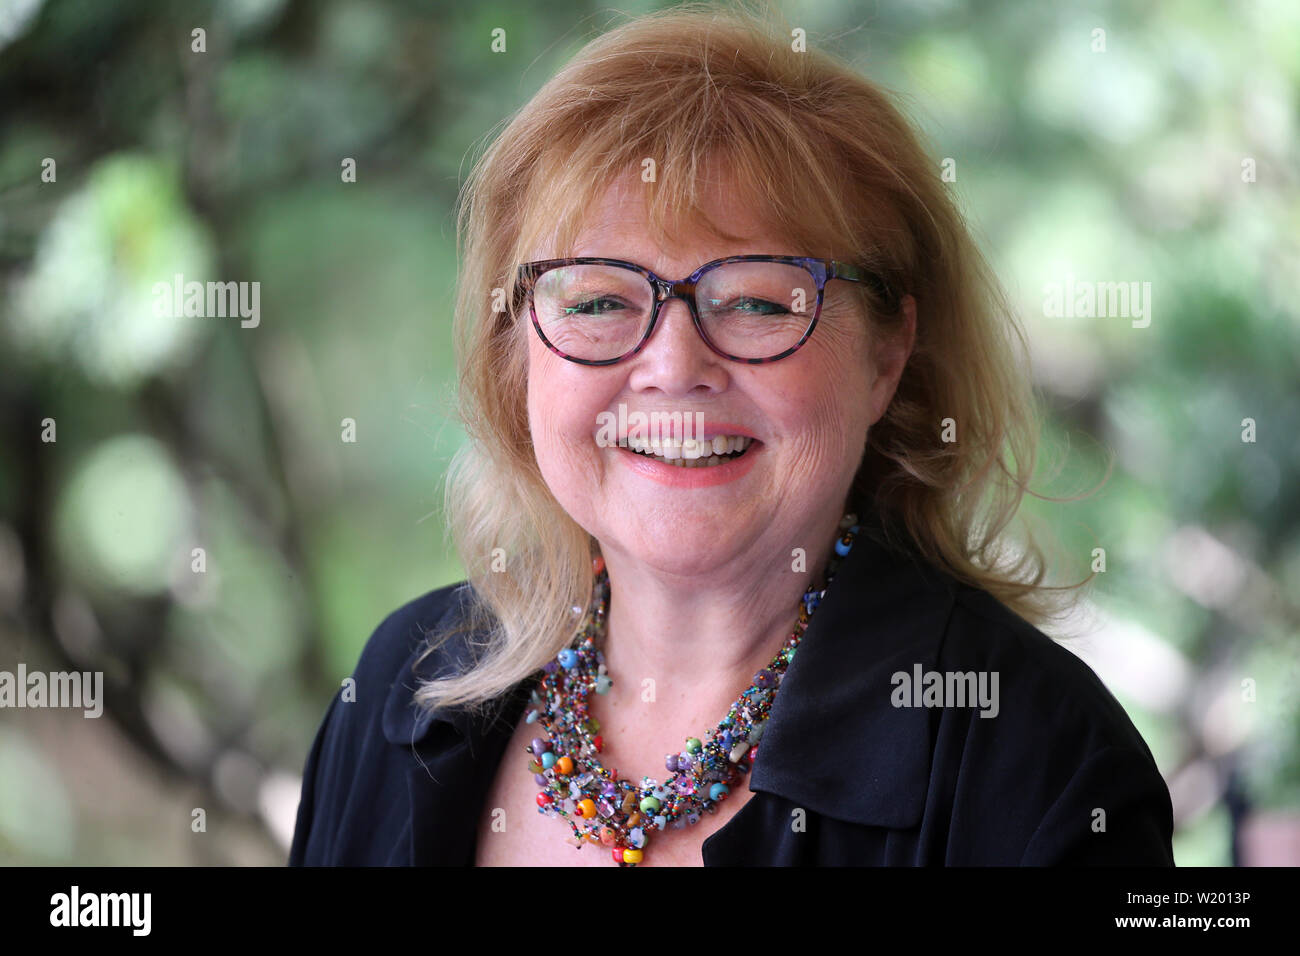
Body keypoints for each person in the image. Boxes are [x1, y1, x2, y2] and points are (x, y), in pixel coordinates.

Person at [289, 4, 1174, 867]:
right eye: (599, 300)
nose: (673, 366)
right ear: (516, 351)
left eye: (756, 301)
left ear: (885, 355)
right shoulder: (406, 683)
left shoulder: (1041, 762)